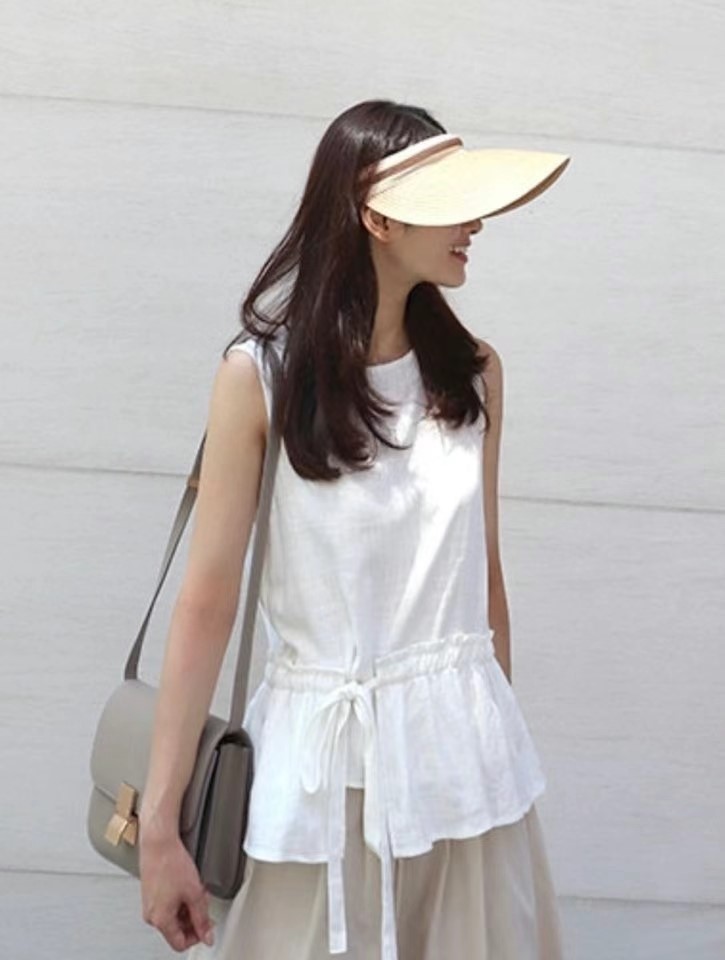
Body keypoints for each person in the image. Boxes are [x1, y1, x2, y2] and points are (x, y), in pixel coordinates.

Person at [138, 99, 571, 960]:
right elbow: (206, 604)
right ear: (376, 218)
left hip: (463, 776)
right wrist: (160, 824)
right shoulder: (258, 377)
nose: (475, 224)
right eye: (451, 204)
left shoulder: (473, 376)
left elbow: (483, 581)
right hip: (319, 784)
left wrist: (492, 746)